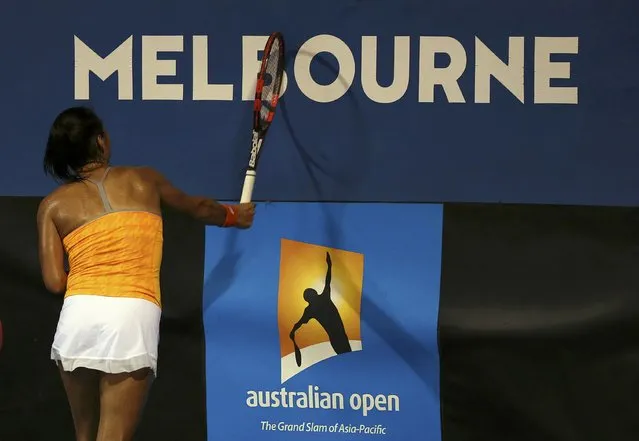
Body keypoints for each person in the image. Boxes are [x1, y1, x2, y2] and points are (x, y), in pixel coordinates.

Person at [36, 106, 255, 441]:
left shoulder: (52, 205)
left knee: (84, 435)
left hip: (79, 315)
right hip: (131, 313)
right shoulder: (145, 180)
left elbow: (54, 281)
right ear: (101, 141)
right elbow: (198, 208)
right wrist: (232, 216)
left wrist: (94, 276)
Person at [289, 251, 352, 359]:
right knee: (348, 357)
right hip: (339, 337)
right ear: (312, 296)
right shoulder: (323, 298)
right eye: (311, 292)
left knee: (345, 358)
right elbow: (328, 281)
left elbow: (298, 323)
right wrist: (329, 265)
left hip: (337, 338)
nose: (314, 292)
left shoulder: (311, 309)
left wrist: (293, 331)